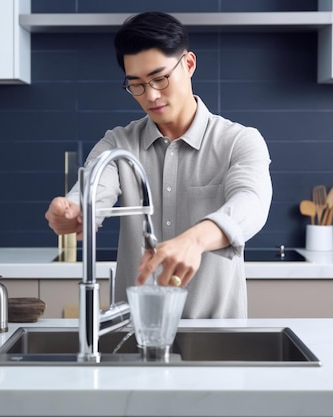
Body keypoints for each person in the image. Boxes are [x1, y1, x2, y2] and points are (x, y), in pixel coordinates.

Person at [45, 11, 272, 318]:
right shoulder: (118, 144)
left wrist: (195, 239)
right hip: (136, 334)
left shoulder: (240, 141)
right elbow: (92, 193)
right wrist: (72, 211)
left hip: (217, 337)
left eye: (160, 78)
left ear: (188, 64)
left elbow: (252, 203)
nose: (150, 95)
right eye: (136, 84)